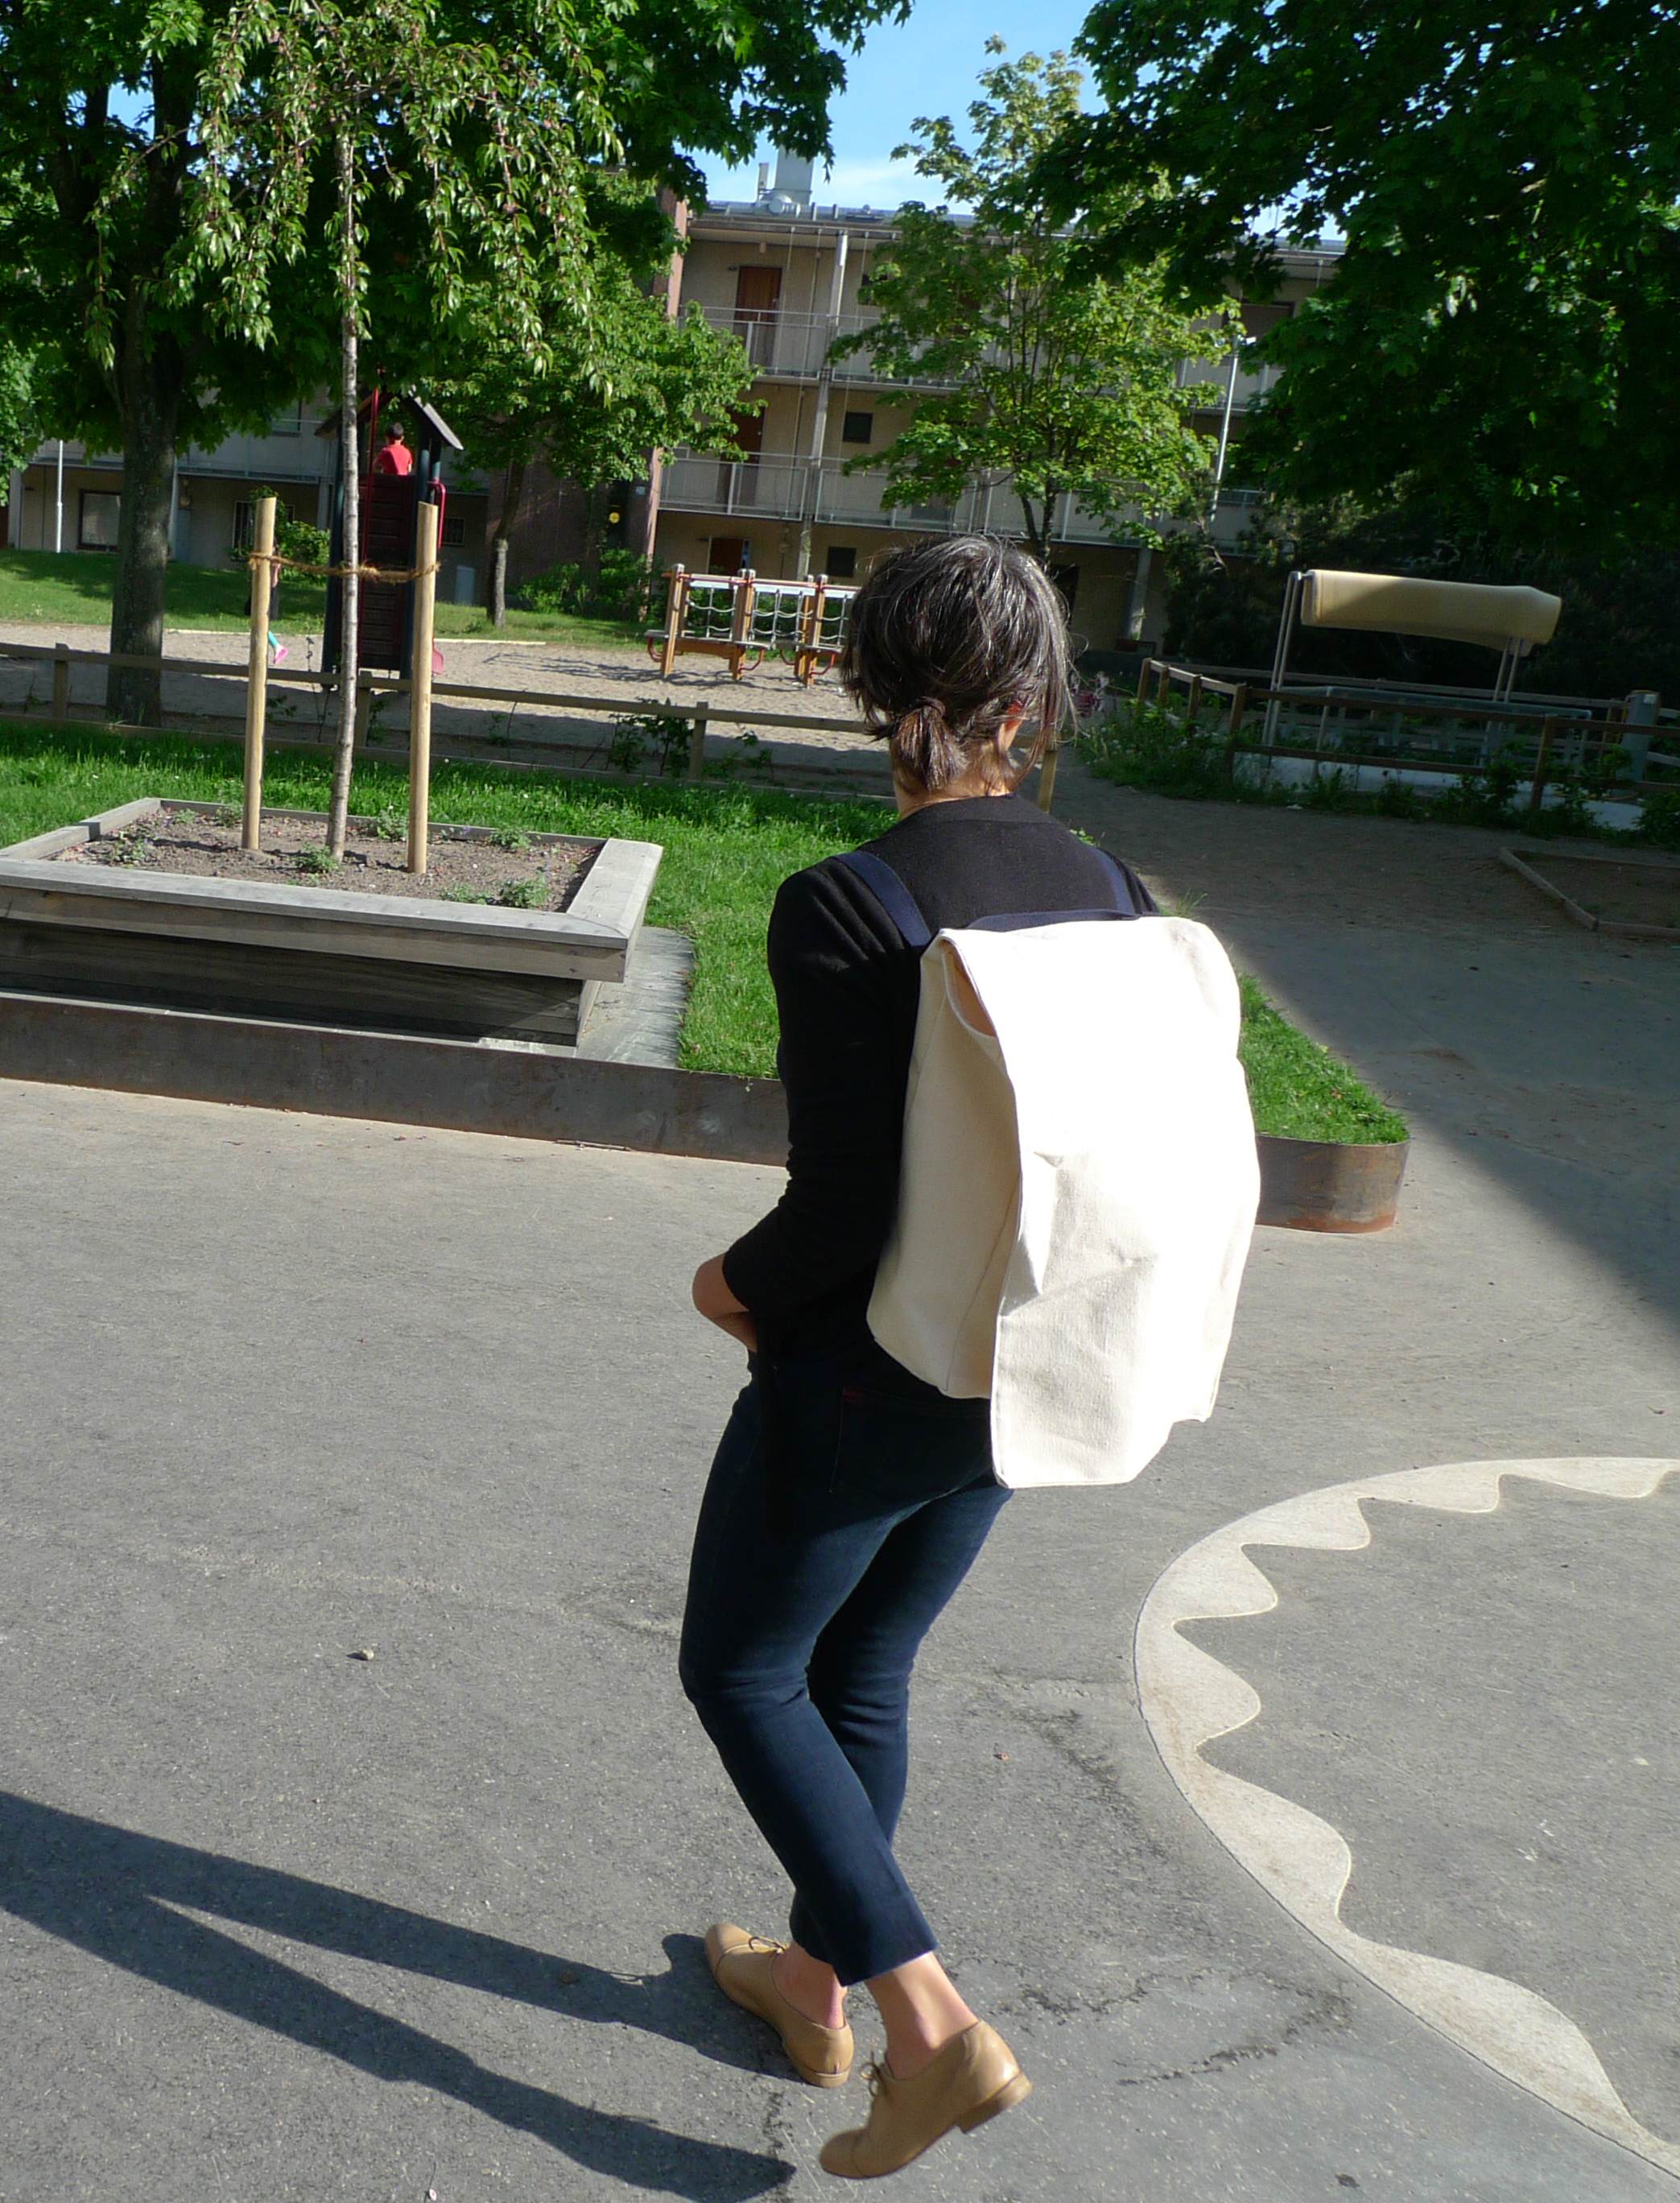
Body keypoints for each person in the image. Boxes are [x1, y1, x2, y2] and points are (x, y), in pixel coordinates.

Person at [678, 535, 1151, 2183]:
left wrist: (724, 1287)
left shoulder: (845, 906)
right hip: (1024, 1365)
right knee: (863, 1672)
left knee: (744, 1675)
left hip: (865, 1374)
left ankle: (929, 2026)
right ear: (1033, 706)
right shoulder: (1115, 897)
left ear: (876, 694)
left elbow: (840, 1209)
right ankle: (811, 1989)